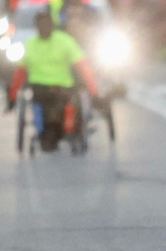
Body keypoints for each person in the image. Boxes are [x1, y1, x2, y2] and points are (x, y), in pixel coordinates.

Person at [7, 10, 98, 153]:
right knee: (55, 103)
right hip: (42, 90)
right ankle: (50, 132)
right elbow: (20, 73)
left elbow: (82, 67)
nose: (44, 28)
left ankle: (68, 130)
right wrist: (12, 96)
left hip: (61, 89)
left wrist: (93, 91)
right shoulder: (33, 45)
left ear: (52, 25)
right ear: (36, 27)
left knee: (72, 103)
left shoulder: (63, 41)